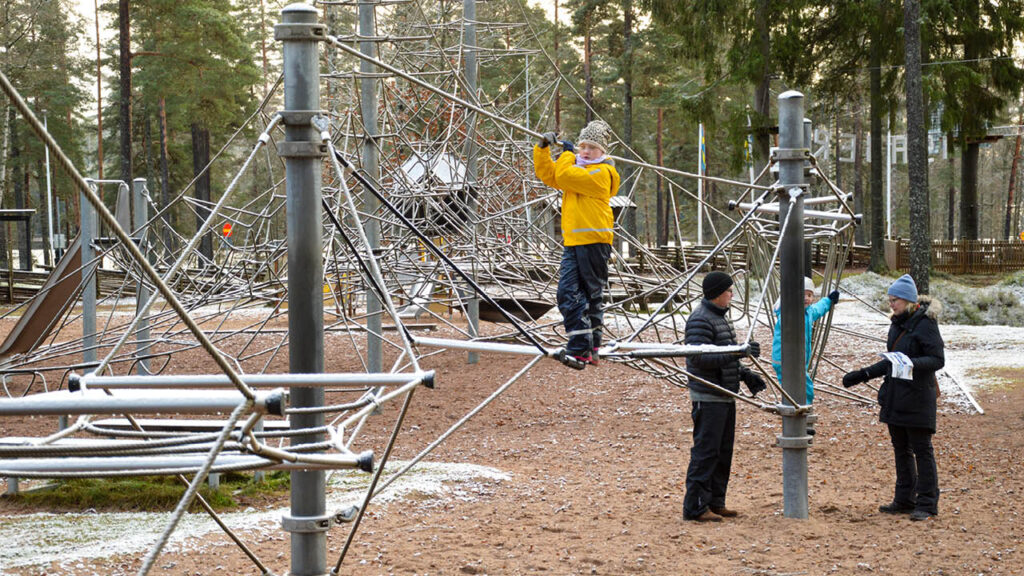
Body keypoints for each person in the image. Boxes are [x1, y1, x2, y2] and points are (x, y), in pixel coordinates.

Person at [842, 274, 944, 522]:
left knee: (922, 450)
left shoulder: (926, 323)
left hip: (918, 396)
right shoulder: (897, 323)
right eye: (889, 300)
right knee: (901, 449)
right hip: (896, 396)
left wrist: (911, 363)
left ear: (908, 300)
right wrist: (863, 374)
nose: (891, 304)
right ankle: (904, 499)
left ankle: (927, 503)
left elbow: (937, 360)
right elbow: (891, 361)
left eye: (894, 300)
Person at [533, 120, 619, 366]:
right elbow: (550, 175)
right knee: (567, 293)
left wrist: (568, 155)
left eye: (592, 147)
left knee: (590, 296)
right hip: (574, 242)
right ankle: (586, 346)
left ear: (602, 151)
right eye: (583, 146)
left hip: (594, 241)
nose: (586, 151)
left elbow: (564, 174)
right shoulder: (578, 170)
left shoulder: (600, 173)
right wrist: (542, 149)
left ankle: (584, 348)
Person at [682, 271, 766, 522]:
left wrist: (745, 374)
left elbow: (724, 356)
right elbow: (699, 358)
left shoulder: (720, 318)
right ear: (718, 293)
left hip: (725, 393)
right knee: (706, 452)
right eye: (729, 290)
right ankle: (695, 507)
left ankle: (716, 502)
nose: (732, 294)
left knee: (722, 452)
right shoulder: (700, 319)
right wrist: (738, 353)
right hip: (708, 396)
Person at [771, 277, 840, 405]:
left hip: (797, 359)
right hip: (785, 359)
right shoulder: (788, 312)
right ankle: (803, 407)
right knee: (803, 387)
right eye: (803, 295)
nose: (806, 298)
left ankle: (797, 406)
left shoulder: (808, 312)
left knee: (794, 387)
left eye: (809, 295)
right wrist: (786, 300)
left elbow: (819, 308)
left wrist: (829, 300)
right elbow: (781, 308)